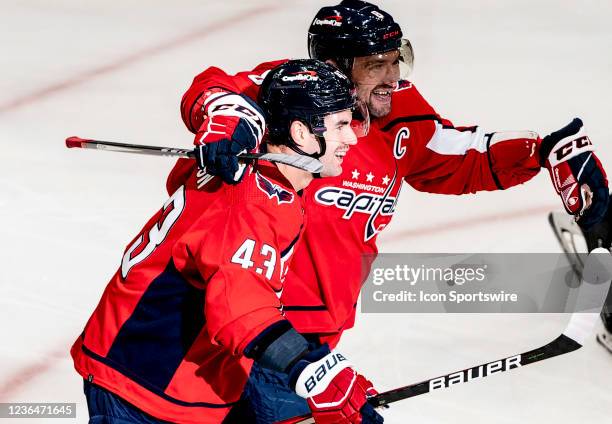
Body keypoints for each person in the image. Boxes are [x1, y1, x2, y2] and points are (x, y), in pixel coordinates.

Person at [179, 0, 609, 421]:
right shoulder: (290, 94)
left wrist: (543, 151)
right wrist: (226, 120)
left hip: (318, 336)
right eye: (374, 65)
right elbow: (213, 89)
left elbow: (449, 155)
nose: (392, 78)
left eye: (396, 59)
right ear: (334, 65)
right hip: (258, 330)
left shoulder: (396, 108)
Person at [71, 59, 384, 424]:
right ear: (300, 133)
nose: (352, 138)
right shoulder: (254, 203)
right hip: (144, 384)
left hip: (168, 371)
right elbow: (240, 308)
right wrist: (310, 371)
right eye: (341, 125)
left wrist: (321, 372)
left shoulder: (258, 176)